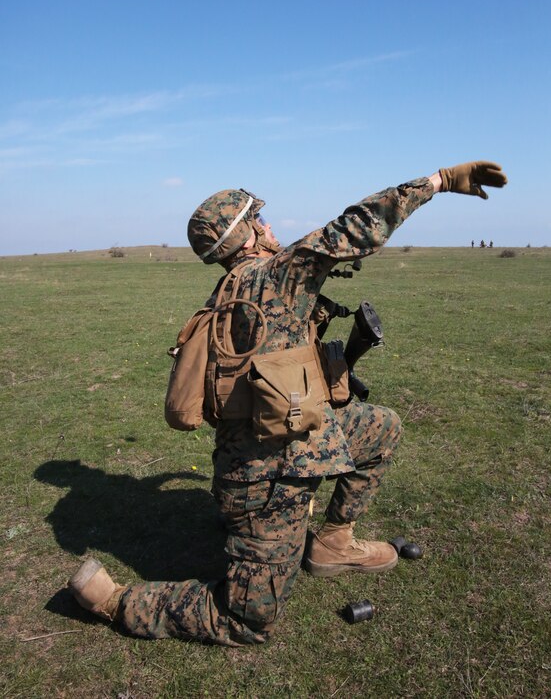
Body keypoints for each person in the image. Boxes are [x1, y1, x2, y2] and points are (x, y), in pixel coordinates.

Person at [69, 160, 507, 646]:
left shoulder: (229, 290)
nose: (271, 226)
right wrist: (439, 182)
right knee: (247, 618)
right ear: (247, 235)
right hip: (265, 477)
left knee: (381, 427)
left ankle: (335, 543)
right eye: (260, 220)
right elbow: (356, 227)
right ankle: (116, 601)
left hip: (297, 443)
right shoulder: (275, 275)